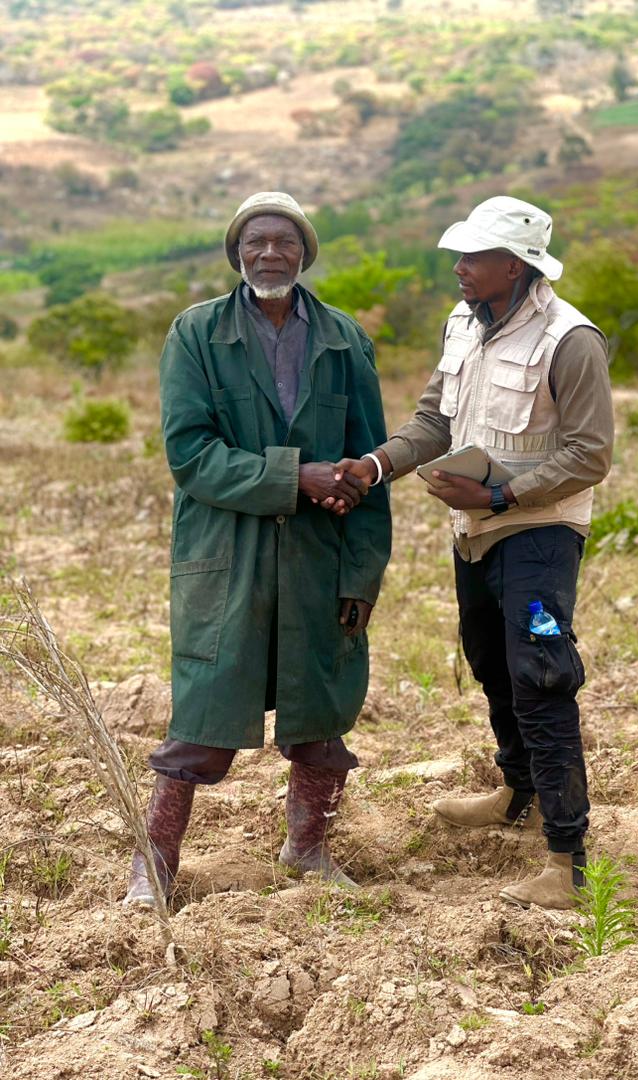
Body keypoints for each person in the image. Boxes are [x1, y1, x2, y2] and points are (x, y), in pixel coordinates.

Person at [337, 196, 613, 909]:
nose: (459, 267)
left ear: (516, 266)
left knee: (542, 674)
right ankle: (518, 791)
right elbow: (435, 420)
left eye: (474, 256)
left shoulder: (570, 339)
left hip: (540, 533)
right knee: (490, 661)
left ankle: (568, 861)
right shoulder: (461, 324)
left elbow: (590, 453)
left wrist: (500, 495)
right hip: (475, 531)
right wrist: (375, 466)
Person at [124, 191, 391, 905]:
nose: (271, 253)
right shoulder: (196, 333)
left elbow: (369, 466)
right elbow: (191, 456)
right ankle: (153, 865)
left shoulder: (344, 340)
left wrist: (361, 574)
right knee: (204, 715)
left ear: (305, 252)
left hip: (319, 558)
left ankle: (308, 850)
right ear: (236, 252)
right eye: (256, 241)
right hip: (226, 554)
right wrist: (295, 476)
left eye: (286, 241)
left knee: (321, 713)